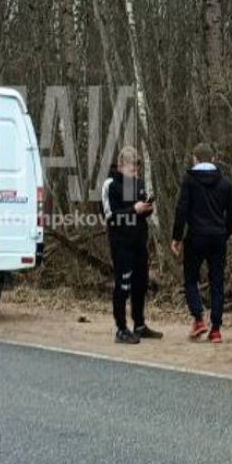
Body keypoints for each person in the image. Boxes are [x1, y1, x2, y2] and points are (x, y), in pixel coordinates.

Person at [170, 143, 232, 344]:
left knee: (190, 278)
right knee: (217, 281)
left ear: (195, 159)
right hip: (217, 237)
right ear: (213, 159)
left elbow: (181, 210)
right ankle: (215, 329)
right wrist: (225, 233)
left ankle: (198, 318)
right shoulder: (225, 183)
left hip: (196, 236)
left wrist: (177, 237)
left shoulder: (190, 181)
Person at [101, 147, 162, 344]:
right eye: (131, 171)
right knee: (123, 285)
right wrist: (133, 210)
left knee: (140, 284)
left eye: (137, 171)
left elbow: (141, 210)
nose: (135, 175)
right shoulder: (110, 185)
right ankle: (120, 328)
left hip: (139, 241)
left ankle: (139, 324)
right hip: (121, 242)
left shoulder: (137, 183)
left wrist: (146, 208)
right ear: (120, 167)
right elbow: (110, 216)